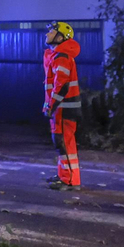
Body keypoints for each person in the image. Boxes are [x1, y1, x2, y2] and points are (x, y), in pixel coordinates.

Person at [41, 22, 81, 190]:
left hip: (64, 108)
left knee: (64, 143)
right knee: (61, 143)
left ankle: (69, 180)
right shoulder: (58, 55)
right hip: (62, 108)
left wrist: (51, 105)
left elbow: (61, 85)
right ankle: (64, 175)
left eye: (51, 32)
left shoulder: (61, 57)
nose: (47, 34)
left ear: (60, 37)